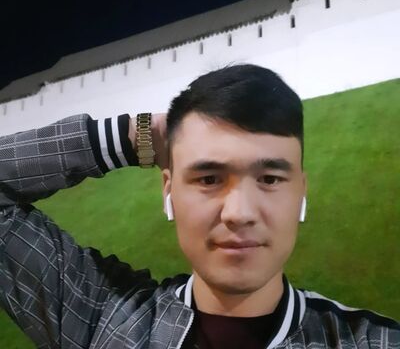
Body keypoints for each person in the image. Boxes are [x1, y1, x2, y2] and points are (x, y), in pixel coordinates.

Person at [0, 64, 398, 349]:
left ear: (301, 194)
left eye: (270, 179)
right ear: (169, 192)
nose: (239, 213)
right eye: (209, 179)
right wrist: (138, 136)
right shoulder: (103, 318)